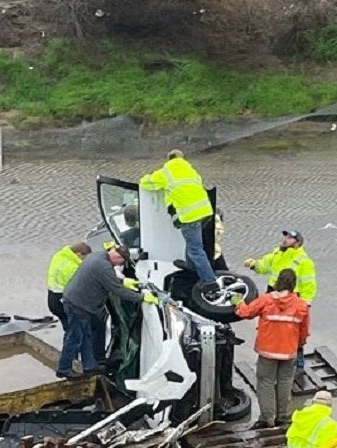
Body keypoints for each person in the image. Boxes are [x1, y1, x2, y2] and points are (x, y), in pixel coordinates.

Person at [58, 245, 157, 379]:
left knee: (86, 336)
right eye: (121, 262)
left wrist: (124, 281)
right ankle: (63, 369)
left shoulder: (97, 256)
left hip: (76, 301)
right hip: (78, 305)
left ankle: (89, 367)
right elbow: (117, 291)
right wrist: (142, 297)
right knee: (74, 338)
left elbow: (106, 279)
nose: (120, 265)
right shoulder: (103, 266)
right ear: (117, 257)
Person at [234, 268, 310, 428]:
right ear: (294, 284)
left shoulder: (266, 300)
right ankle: (282, 416)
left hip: (267, 350)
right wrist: (300, 344)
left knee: (265, 382)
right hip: (289, 351)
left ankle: (267, 418)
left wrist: (238, 303)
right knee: (285, 382)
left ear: (278, 282)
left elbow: (246, 312)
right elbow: (304, 330)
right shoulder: (301, 305)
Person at [139, 149, 217, 290]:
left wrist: (145, 177)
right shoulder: (191, 170)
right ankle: (191, 265)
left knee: (196, 249)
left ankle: (209, 282)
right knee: (192, 242)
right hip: (205, 211)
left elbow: (146, 183)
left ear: (168, 159)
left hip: (189, 215)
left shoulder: (166, 172)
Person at [243, 229, 317, 304]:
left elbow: (309, 284)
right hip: (272, 292)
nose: (285, 240)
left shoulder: (304, 261)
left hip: (291, 298)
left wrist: (306, 302)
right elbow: (263, 267)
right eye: (285, 237)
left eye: (289, 238)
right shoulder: (277, 254)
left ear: (297, 242)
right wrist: (254, 265)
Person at [46, 242, 92, 332]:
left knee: (68, 328)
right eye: (85, 258)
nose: (85, 261)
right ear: (79, 254)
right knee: (74, 331)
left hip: (52, 297)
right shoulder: (71, 268)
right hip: (62, 300)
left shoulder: (59, 255)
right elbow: (83, 286)